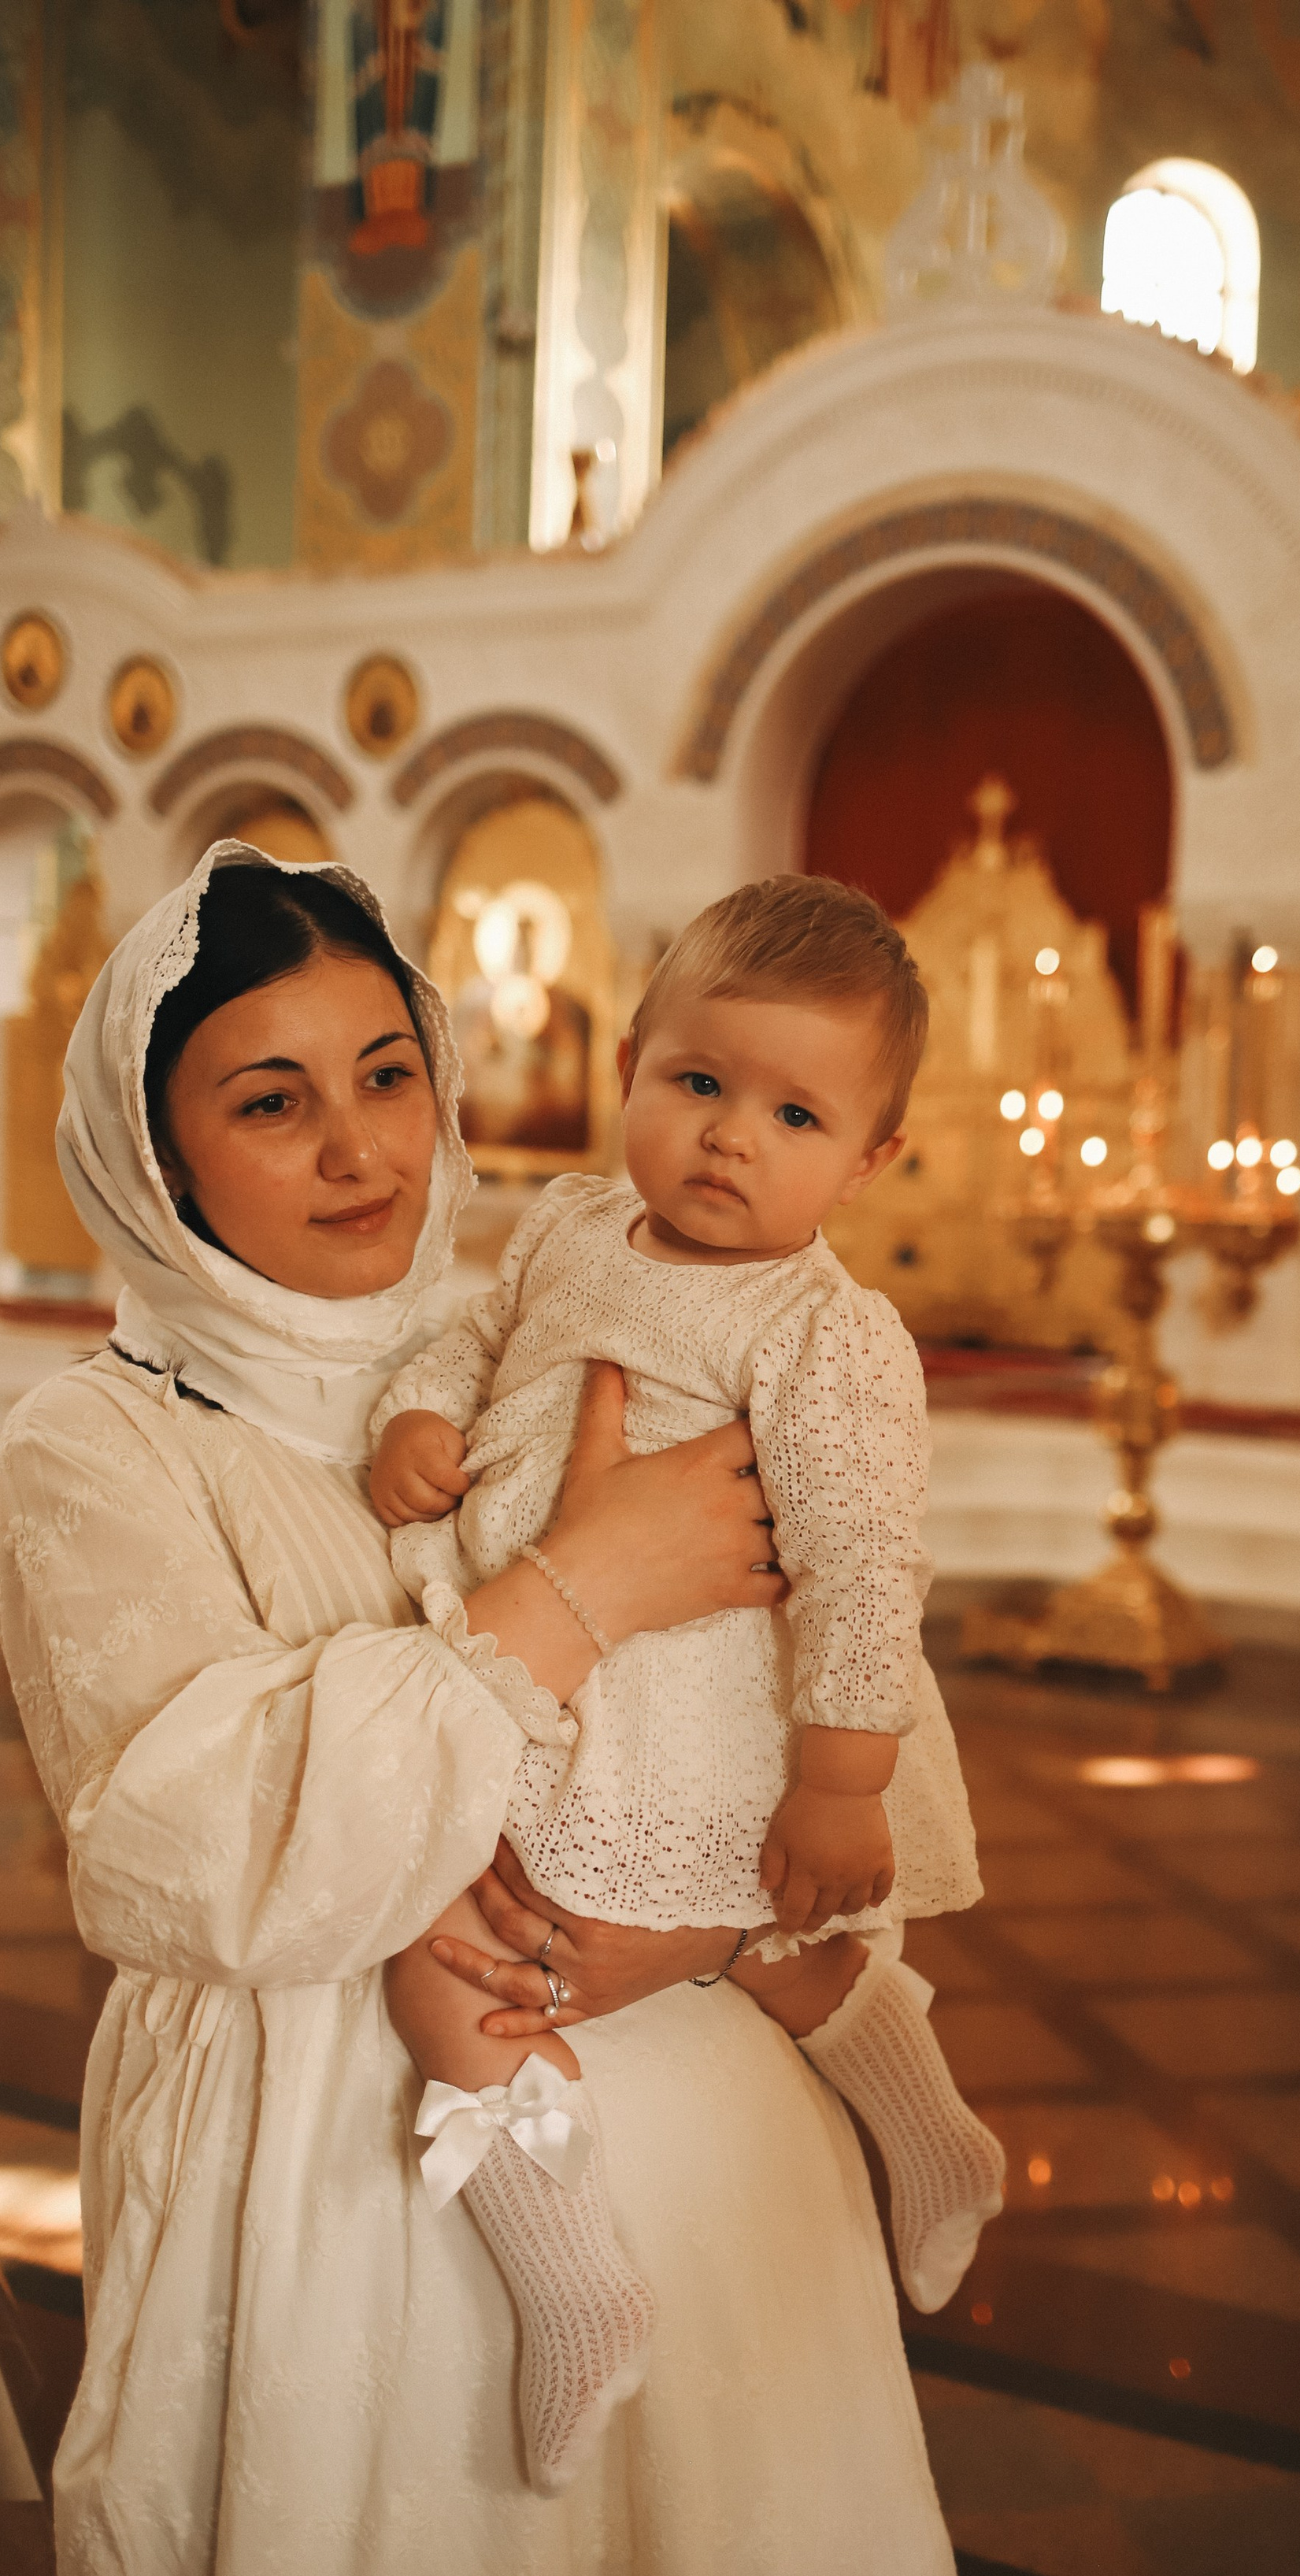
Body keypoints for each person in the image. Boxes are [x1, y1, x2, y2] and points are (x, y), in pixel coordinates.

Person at [0, 842, 1039, 2576]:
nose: (362, 1143)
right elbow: (184, 1844)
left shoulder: (609, 1326)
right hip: (325, 2190)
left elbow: (836, 1678)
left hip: (698, 2138)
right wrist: (575, 1588)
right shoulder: (100, 1445)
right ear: (150, 1139)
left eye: (387, 1069)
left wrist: (699, 1923)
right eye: (270, 1100)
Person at [369, 877, 1006, 2493]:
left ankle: (887, 2140)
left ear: (868, 1161)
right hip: (541, 1666)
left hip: (710, 1719)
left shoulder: (826, 1334)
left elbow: (866, 1565)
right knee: (472, 1952)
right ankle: (592, 2260)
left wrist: (839, 1779)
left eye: (793, 1113)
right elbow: (479, 1324)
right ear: (630, 1065)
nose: (729, 1136)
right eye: (698, 1083)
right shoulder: (575, 1222)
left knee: (612, 1954)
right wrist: (426, 1419)